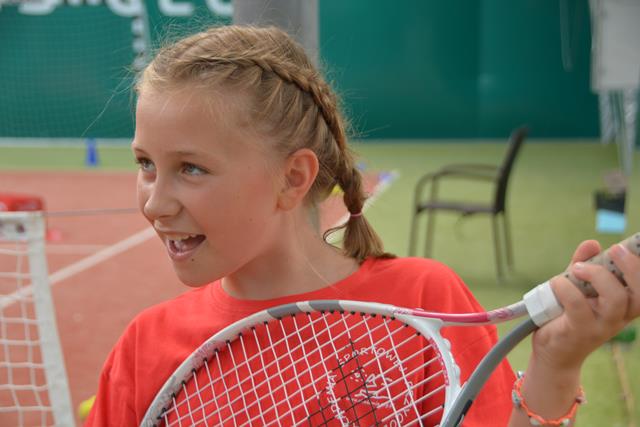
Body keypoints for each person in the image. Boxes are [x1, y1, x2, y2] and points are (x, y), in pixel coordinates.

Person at [84, 25, 639, 426]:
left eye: (191, 168)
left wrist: (555, 365)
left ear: (293, 178)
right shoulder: (144, 348)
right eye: (145, 164)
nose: (155, 203)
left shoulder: (424, 299)